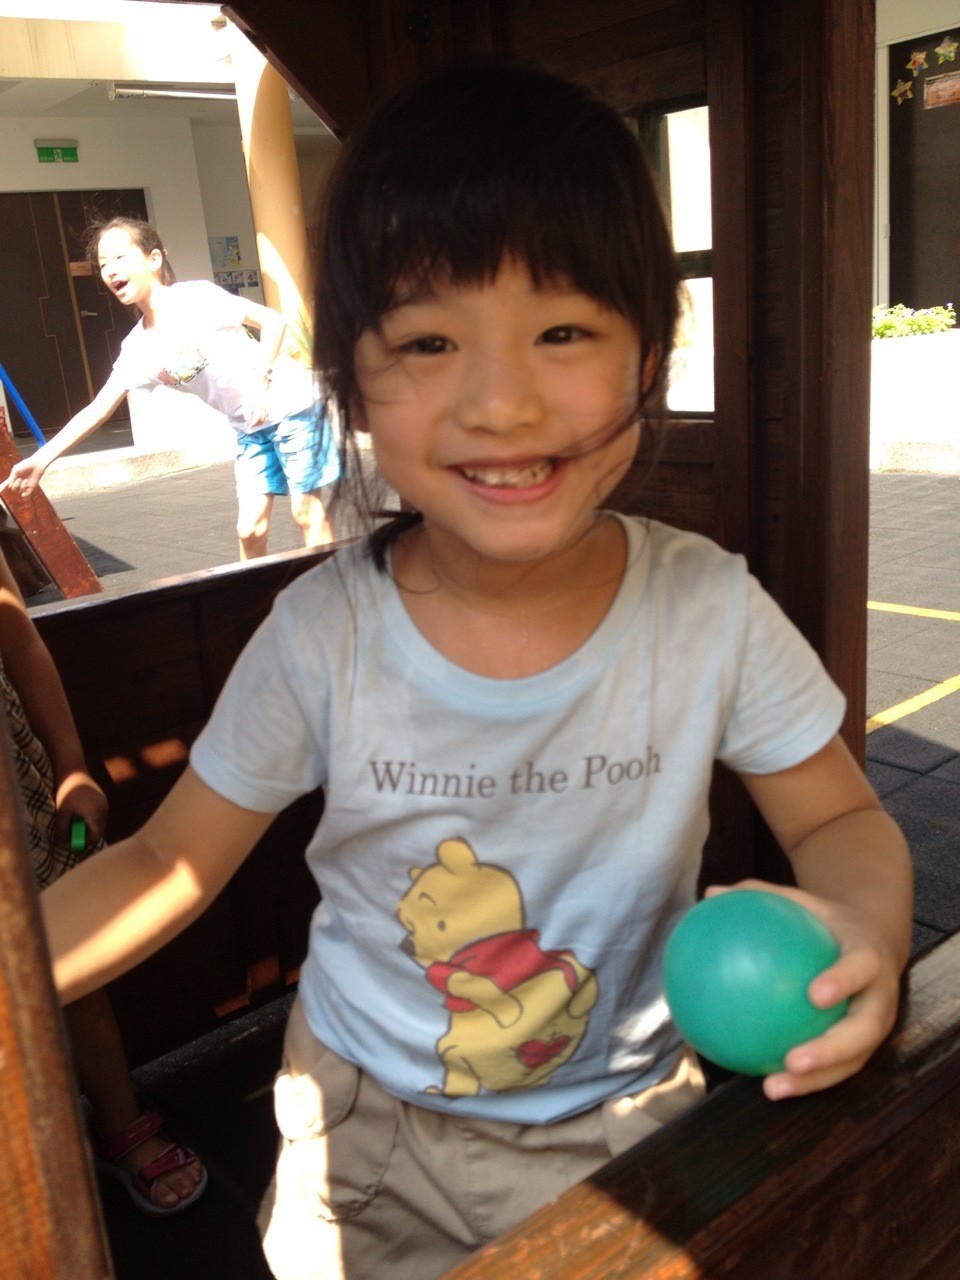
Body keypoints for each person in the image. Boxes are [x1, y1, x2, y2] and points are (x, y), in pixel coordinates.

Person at [40, 62, 912, 1280]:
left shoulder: (708, 608)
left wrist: (866, 924)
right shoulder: (324, 633)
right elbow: (162, 863)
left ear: (649, 356)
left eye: (562, 331)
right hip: (369, 1131)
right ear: (351, 384)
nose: (502, 403)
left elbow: (838, 818)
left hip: (630, 1117)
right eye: (429, 340)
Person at [0, 547, 206, 1214]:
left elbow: (17, 636)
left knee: (71, 956)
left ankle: (119, 1120)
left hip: (16, 791)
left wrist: (71, 766)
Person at [1, 218, 339, 560]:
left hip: (292, 405)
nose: (111, 270)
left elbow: (274, 321)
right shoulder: (138, 348)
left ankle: (338, 590)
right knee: (250, 530)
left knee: (306, 514)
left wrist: (259, 381)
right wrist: (40, 460)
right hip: (250, 427)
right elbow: (98, 409)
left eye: (120, 257)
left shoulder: (196, 298)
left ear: (154, 259)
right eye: (103, 264)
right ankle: (253, 594)